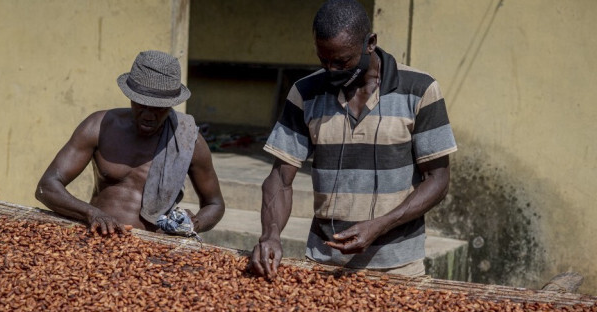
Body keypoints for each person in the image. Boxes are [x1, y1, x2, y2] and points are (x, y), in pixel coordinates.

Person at [251, 0, 457, 280]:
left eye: (342, 61)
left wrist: (380, 225)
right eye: (323, 60)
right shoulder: (306, 92)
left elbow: (438, 180)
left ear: (370, 43)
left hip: (398, 267)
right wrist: (271, 234)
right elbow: (280, 178)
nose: (331, 70)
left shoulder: (420, 89)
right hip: (324, 264)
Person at [36, 50, 225, 236]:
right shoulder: (99, 126)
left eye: (159, 108)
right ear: (131, 97)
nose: (149, 115)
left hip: (155, 247)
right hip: (100, 235)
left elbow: (215, 204)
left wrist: (196, 222)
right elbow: (47, 187)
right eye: (142, 105)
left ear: (171, 104)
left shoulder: (188, 141)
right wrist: (91, 213)